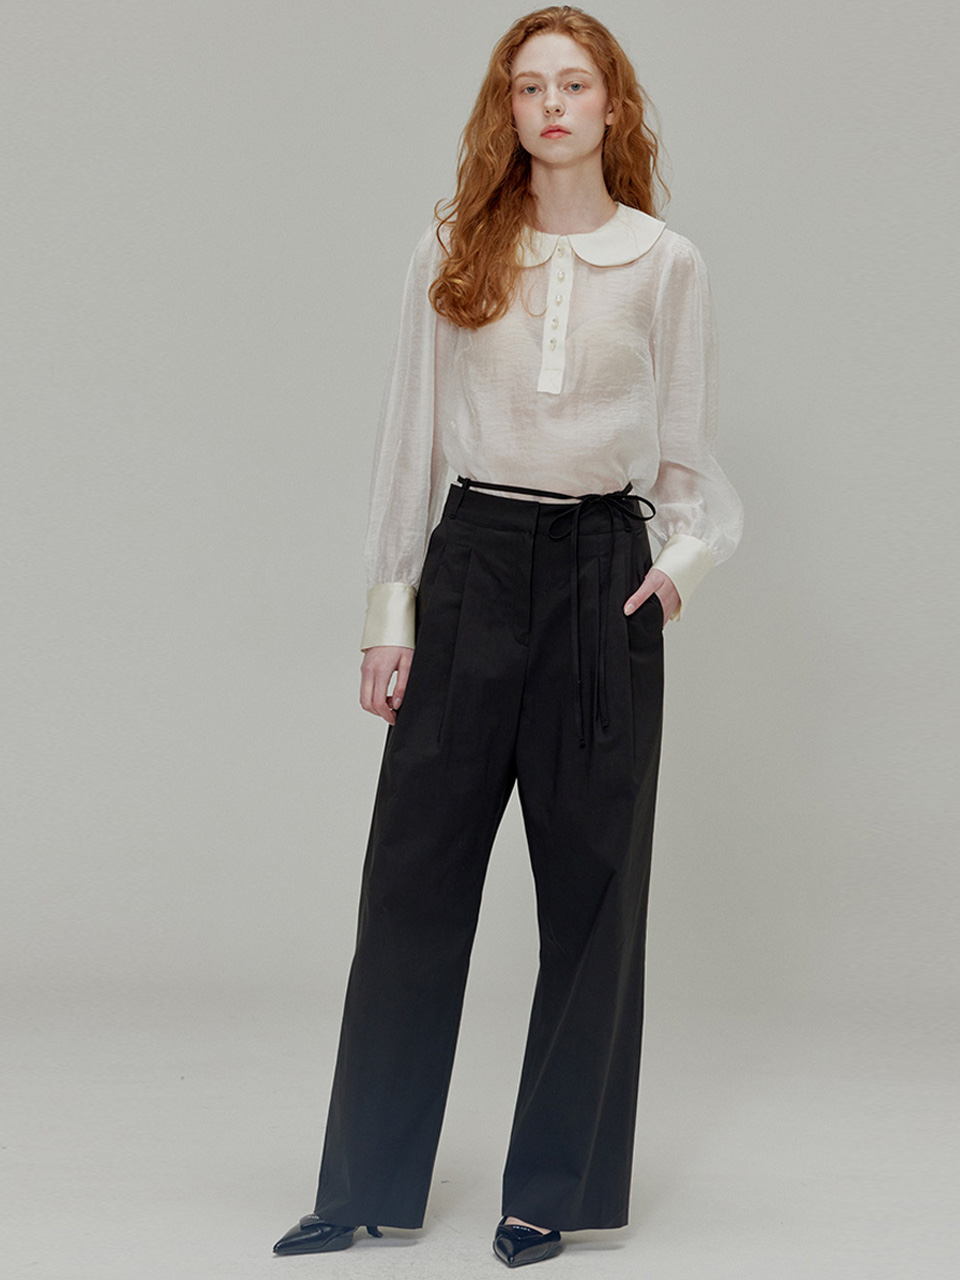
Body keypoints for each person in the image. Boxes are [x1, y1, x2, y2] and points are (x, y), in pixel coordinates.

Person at [273, 4, 743, 1268]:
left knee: (595, 891)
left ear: (611, 105)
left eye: (574, 83)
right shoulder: (457, 245)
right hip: (473, 558)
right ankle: (362, 1183)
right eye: (530, 86)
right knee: (411, 877)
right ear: (509, 110)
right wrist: (390, 610)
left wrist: (675, 569)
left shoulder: (666, 262)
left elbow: (690, 456)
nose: (552, 105)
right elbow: (408, 439)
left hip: (602, 573)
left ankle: (550, 1192)